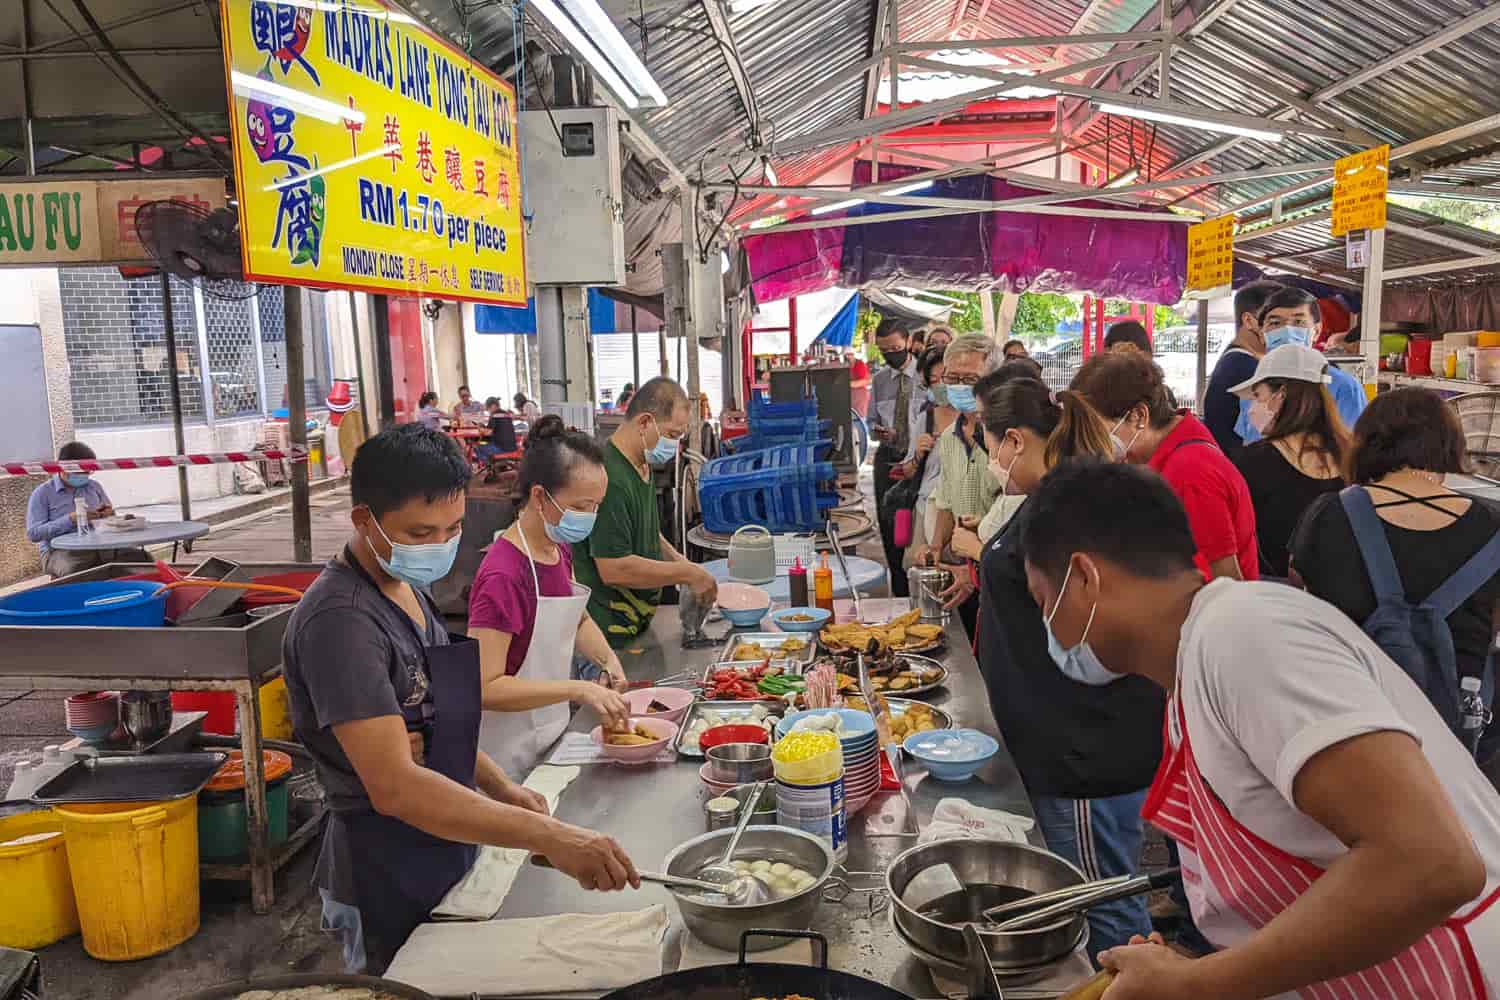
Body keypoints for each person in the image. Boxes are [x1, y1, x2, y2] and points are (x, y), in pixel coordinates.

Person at [1019, 460, 1500, 1000]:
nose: (1050, 630)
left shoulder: (1243, 632)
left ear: (1085, 577)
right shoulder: (1192, 673)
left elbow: (1432, 862)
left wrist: (1198, 985)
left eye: (1044, 603)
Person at [281, 424, 638, 974]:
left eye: (450, 529)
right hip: (386, 865)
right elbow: (396, 786)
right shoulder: (342, 625)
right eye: (420, 533)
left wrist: (502, 790)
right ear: (363, 520)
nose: (438, 547)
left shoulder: (406, 588)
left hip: (443, 840)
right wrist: (548, 835)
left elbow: (440, 716)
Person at [973, 381, 1163, 962]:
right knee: (1084, 891)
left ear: (1011, 440)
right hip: (1065, 742)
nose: (989, 462)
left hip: (1084, 755)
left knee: (1099, 897)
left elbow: (1107, 631)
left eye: (987, 446)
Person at [1293, 388, 1500, 764]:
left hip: (1348, 727)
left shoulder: (1328, 516)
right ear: (1450, 444)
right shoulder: (1492, 524)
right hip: (1460, 739)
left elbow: (1306, 606)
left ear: (1365, 444)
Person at [469, 422, 630, 777]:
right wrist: (579, 689)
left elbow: (578, 619)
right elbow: (485, 686)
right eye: (581, 506)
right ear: (540, 497)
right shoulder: (504, 574)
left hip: (551, 741)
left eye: (596, 506)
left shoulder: (558, 550)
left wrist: (608, 661)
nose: (589, 517)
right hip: (506, 761)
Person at [1073, 351, 1258, 581]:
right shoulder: (1167, 449)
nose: (1090, 440)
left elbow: (1226, 585)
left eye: (1095, 428)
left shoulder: (1190, 473)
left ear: (1139, 416)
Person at [573, 376, 718, 647]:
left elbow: (646, 529)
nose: (675, 445)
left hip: (637, 624)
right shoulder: (610, 478)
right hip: (608, 634)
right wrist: (686, 574)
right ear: (644, 423)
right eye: (673, 435)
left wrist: (681, 562)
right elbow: (613, 568)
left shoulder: (642, 463)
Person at [1228, 345, 1348, 579]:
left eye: (1257, 395)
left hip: (1273, 598)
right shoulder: (1351, 454)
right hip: (1340, 601)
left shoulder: (1254, 462)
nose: (1252, 408)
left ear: (1279, 395)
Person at [916, 334, 1001, 636]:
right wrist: (935, 546)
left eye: (970, 378)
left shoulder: (1004, 438)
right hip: (962, 563)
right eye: (953, 377)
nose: (959, 386)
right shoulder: (951, 437)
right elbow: (945, 499)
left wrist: (976, 569)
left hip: (998, 564)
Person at [1237, 286, 1367, 444]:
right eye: (1275, 323)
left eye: (1299, 322)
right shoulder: (1253, 388)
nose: (1287, 329)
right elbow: (1249, 443)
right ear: (1262, 334)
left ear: (1317, 331)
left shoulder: (1344, 387)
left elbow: (1354, 450)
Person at [25, 442, 149, 578]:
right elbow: (34, 534)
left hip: (101, 545)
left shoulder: (94, 487)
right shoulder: (42, 494)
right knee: (78, 570)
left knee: (143, 559)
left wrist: (108, 515)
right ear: (63, 468)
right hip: (60, 551)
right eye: (81, 471)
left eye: (88, 471)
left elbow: (112, 520)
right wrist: (70, 520)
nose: (85, 475)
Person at [869, 318, 920, 597]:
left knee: (914, 528)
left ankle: (919, 589)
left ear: (908, 343)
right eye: (884, 350)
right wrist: (879, 431)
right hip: (888, 459)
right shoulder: (879, 380)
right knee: (890, 530)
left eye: (895, 348)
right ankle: (900, 593)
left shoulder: (925, 379)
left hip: (918, 463)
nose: (891, 354)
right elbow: (869, 421)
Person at [1203, 280, 1281, 457]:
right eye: (1275, 321)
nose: (1285, 329)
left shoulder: (1236, 360)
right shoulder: (1246, 369)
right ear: (1248, 320)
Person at [897, 347, 958, 572]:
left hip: (961, 512)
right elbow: (907, 471)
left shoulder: (975, 419)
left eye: (946, 377)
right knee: (925, 571)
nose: (941, 384)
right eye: (934, 380)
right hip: (927, 507)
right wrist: (918, 455)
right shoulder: (926, 419)